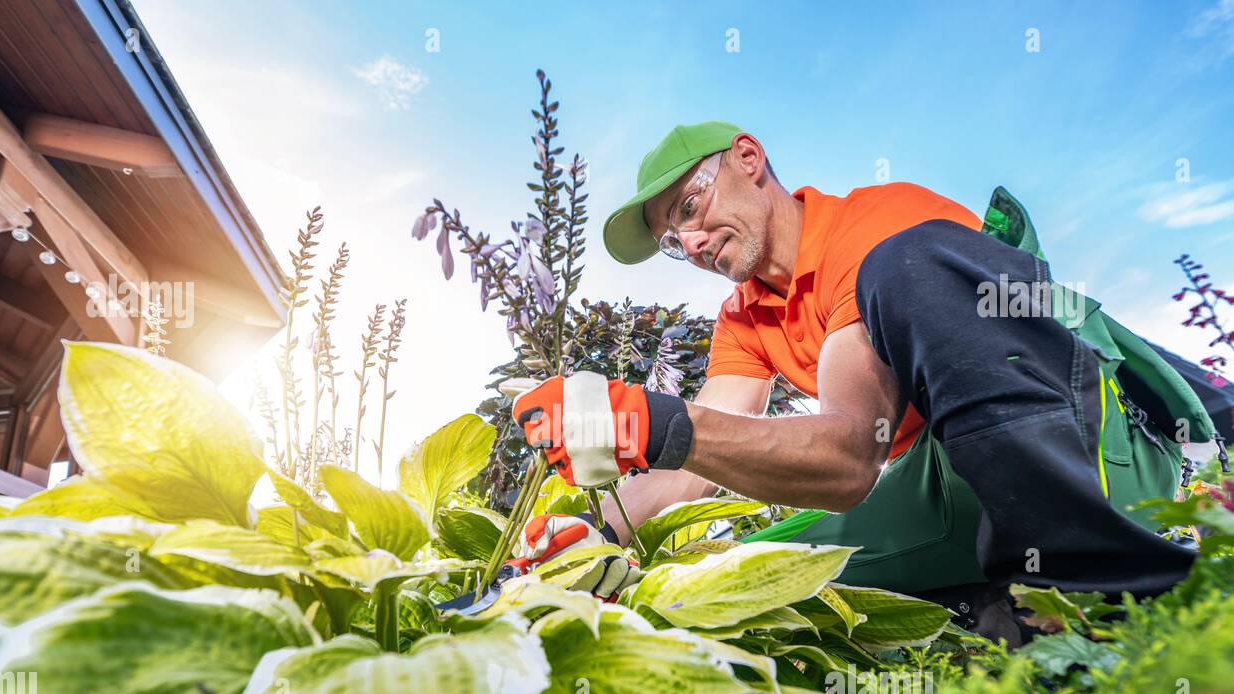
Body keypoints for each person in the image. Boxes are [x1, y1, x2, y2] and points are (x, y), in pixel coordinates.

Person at [504, 121, 1209, 640]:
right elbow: (692, 466)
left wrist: (651, 420)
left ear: (749, 159)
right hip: (954, 480)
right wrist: (591, 532)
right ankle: (984, 607)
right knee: (735, 571)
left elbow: (845, 458)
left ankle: (1103, 585)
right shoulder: (744, 318)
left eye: (689, 209)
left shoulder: (880, 226)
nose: (689, 245)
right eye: (671, 240)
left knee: (907, 265)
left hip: (1086, 445)